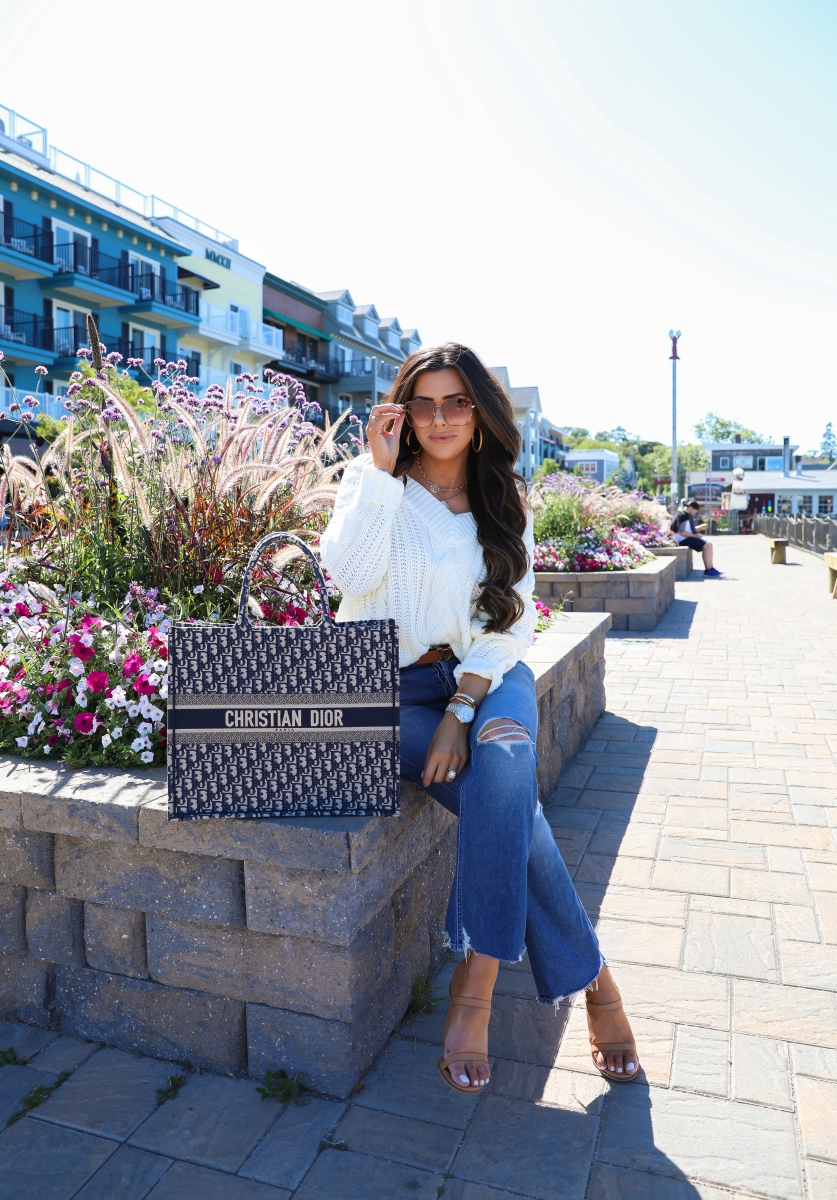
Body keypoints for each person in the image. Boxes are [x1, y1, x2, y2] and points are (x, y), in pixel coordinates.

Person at [320, 343, 640, 1094]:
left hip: (488, 680)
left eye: (455, 401)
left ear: (479, 413)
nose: (439, 418)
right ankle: (594, 982)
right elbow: (352, 577)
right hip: (385, 690)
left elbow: (513, 621)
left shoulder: (504, 496)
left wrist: (462, 708)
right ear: (401, 411)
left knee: (500, 768)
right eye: (422, 403)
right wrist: (374, 469)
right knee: (515, 815)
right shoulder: (371, 488)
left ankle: (474, 996)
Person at [671, 500, 721, 576]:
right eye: (695, 511)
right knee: (707, 545)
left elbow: (688, 530)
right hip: (682, 539)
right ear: (691, 508)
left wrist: (700, 528)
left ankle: (711, 568)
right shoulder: (683, 516)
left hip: (685, 538)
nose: (695, 513)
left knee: (709, 544)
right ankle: (708, 569)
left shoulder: (685, 514)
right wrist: (696, 536)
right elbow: (682, 532)